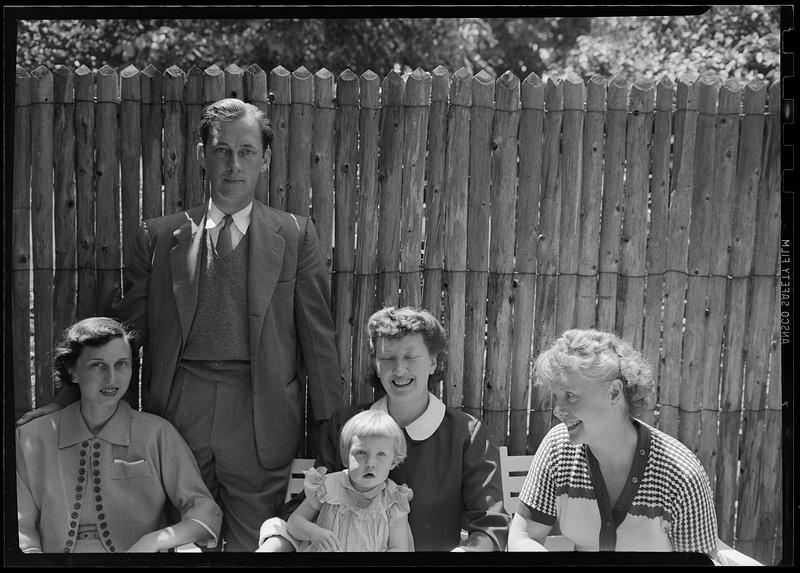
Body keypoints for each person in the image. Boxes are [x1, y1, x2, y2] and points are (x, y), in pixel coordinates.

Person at [16, 98, 344, 552]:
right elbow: (124, 335)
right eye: (222, 149)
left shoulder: (294, 235)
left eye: (247, 150)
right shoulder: (157, 237)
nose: (234, 163)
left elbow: (318, 337)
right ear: (201, 155)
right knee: (183, 540)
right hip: (178, 412)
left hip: (261, 414)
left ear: (265, 159)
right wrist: (65, 400)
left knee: (260, 540)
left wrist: (333, 425)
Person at [258, 306, 510, 552]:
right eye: (388, 358)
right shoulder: (345, 424)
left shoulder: (467, 433)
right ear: (376, 366)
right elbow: (310, 504)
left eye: (410, 357)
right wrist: (275, 541)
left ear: (433, 362)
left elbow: (490, 525)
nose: (399, 369)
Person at [507, 329, 720, 559]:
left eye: (571, 396)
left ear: (614, 393)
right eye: (556, 397)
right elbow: (523, 537)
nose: (558, 410)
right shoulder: (558, 449)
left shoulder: (681, 475)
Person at [16, 317, 222, 553]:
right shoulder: (31, 438)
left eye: (121, 364)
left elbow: (205, 509)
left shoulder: (157, 433)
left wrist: (153, 541)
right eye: (97, 365)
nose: (112, 378)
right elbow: (20, 528)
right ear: (72, 371)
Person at [286, 409, 414, 552]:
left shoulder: (393, 500)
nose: (370, 462)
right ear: (346, 457)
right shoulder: (327, 487)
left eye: (381, 454)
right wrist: (314, 532)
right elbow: (294, 523)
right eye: (361, 452)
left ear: (393, 461)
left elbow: (399, 548)